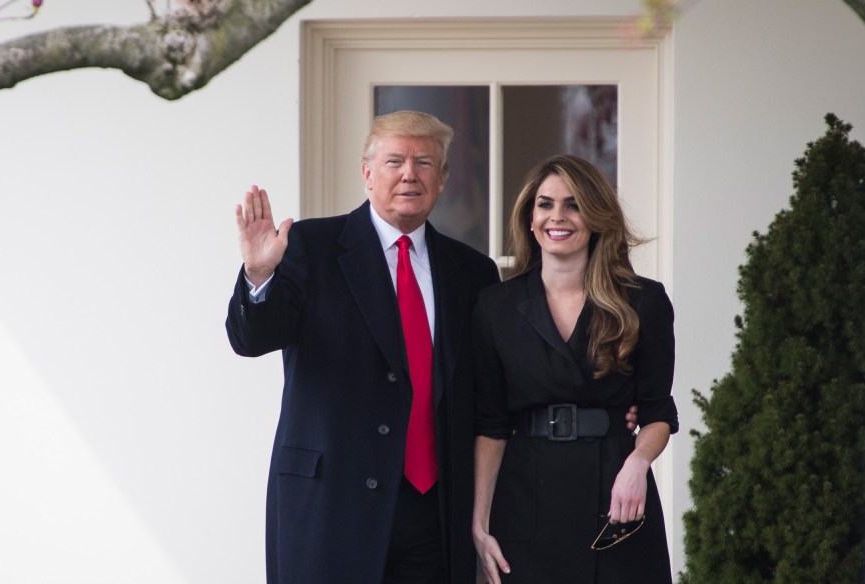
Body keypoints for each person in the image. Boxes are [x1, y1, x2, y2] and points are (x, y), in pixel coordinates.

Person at [226, 110, 501, 584]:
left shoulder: (472, 272)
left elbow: (487, 391)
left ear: (444, 178)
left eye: (425, 163)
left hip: (434, 515)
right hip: (333, 502)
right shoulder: (309, 244)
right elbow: (252, 339)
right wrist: (258, 275)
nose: (409, 174)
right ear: (367, 173)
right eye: (395, 161)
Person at [471, 154, 678, 584]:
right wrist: (480, 521)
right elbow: (490, 425)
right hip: (525, 501)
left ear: (597, 217)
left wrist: (638, 464)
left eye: (574, 204)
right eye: (545, 204)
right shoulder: (496, 307)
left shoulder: (643, 301)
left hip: (617, 499)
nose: (557, 217)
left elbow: (658, 413)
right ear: (531, 218)